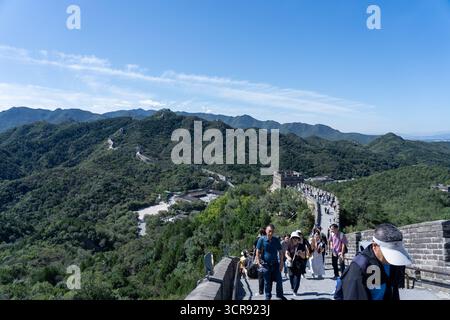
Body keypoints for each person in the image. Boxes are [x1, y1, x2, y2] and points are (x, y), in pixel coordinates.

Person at [338, 223, 411, 300]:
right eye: (389, 252)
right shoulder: (359, 267)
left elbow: (393, 289)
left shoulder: (394, 262)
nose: (392, 258)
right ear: (375, 246)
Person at [255, 224, 285, 300]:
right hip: (266, 265)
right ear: (266, 231)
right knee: (267, 282)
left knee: (279, 280)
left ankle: (280, 296)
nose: (271, 233)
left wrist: (281, 263)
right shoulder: (261, 240)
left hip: (275, 264)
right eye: (269, 231)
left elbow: (280, 252)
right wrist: (258, 262)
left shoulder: (276, 240)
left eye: (272, 231)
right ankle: (268, 297)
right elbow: (257, 251)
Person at [285, 230, 307, 296]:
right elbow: (286, 253)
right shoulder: (289, 245)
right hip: (290, 263)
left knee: (297, 277)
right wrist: (288, 257)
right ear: (291, 239)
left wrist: (300, 254)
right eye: (293, 238)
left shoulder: (301, 246)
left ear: (298, 239)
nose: (295, 239)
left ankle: (295, 290)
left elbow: (304, 256)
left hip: (298, 263)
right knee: (291, 276)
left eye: (296, 238)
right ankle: (292, 287)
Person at [253, 227, 266, 296]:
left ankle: (261, 291)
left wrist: (256, 260)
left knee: (260, 276)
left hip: (261, 259)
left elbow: (256, 250)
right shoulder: (269, 239)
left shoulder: (258, 240)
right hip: (268, 259)